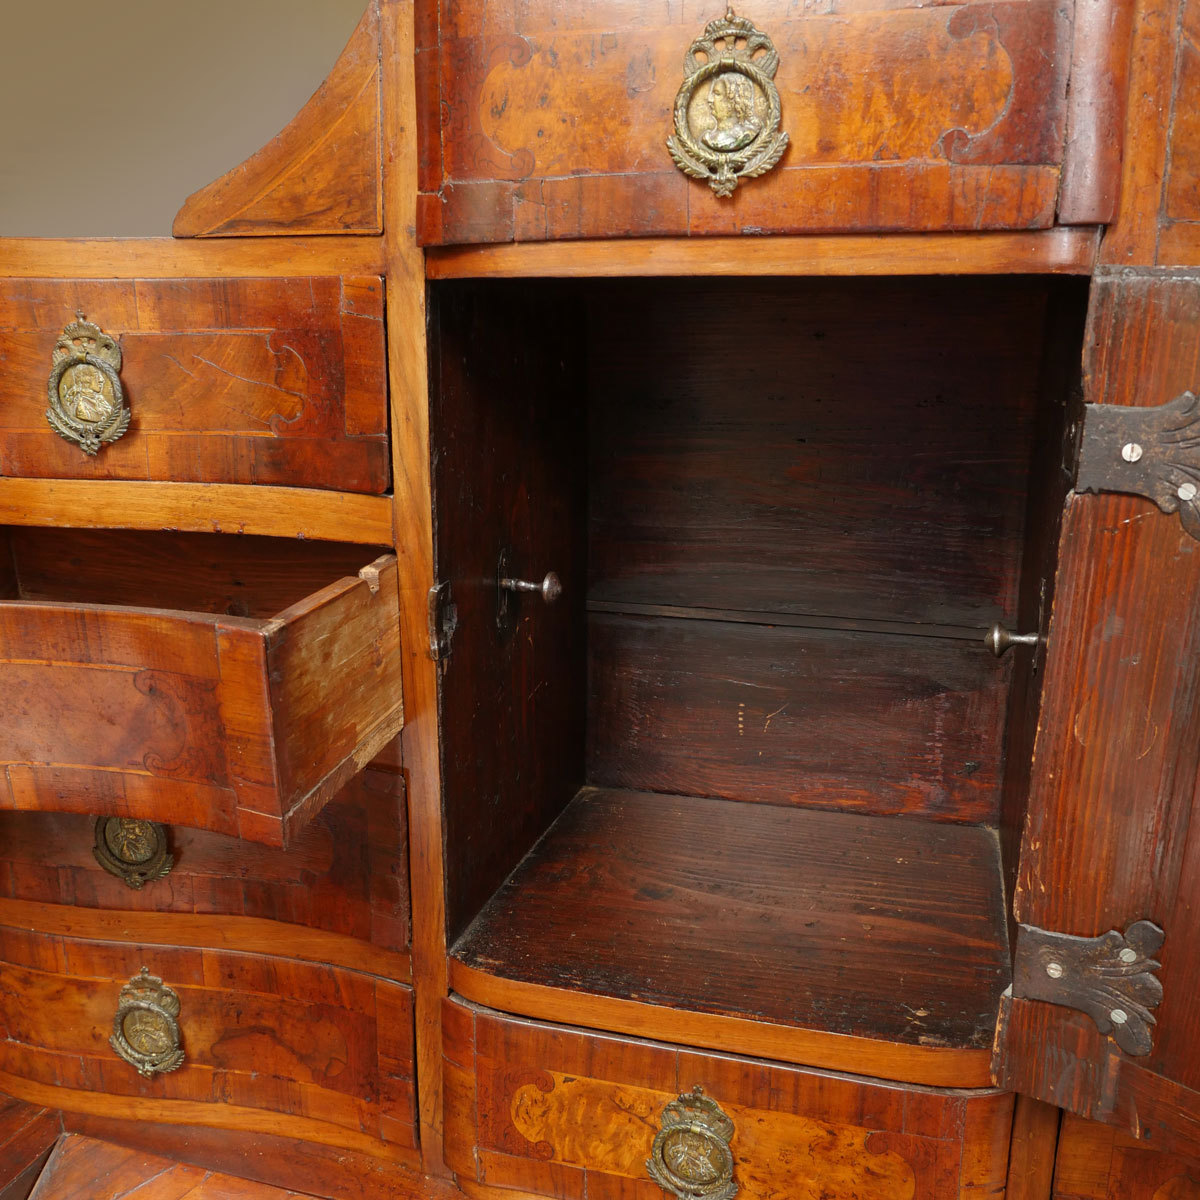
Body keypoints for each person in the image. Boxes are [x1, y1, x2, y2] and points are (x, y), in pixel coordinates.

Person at [700, 72, 762, 153]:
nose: (710, 100)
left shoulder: (747, 135)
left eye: (717, 94)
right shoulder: (708, 139)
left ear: (734, 101)